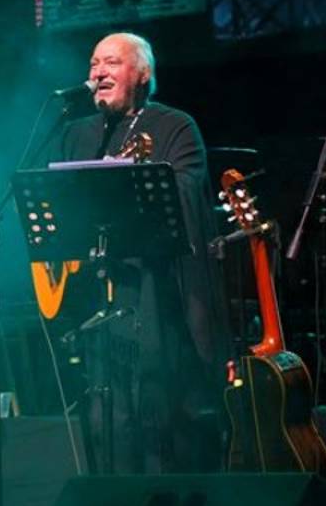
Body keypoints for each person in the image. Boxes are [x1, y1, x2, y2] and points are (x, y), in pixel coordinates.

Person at [55, 32, 226, 473]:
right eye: (93, 64)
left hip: (154, 291)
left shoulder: (173, 126)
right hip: (95, 295)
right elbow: (55, 208)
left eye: (111, 63)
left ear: (143, 74)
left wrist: (136, 185)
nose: (98, 73)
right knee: (105, 415)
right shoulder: (77, 133)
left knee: (157, 412)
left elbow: (189, 192)